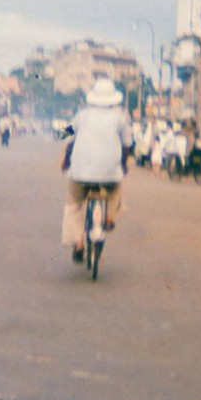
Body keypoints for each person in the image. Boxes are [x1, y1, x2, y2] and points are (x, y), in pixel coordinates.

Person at [60, 78, 134, 263]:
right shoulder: (120, 117)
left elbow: (66, 136)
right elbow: (127, 144)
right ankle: (108, 218)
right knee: (115, 192)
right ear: (113, 99)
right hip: (109, 173)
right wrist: (123, 165)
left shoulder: (81, 115)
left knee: (74, 205)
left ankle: (78, 243)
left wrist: (66, 161)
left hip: (80, 172)